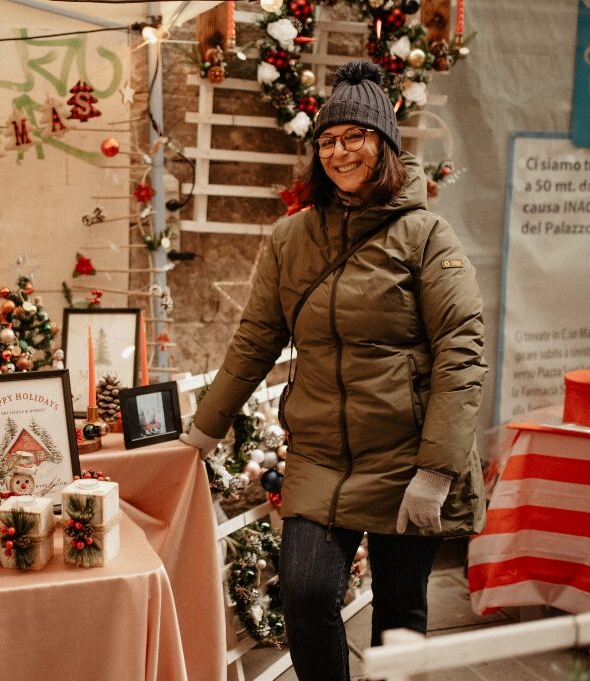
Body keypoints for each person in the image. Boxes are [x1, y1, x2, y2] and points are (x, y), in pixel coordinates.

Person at [181, 60, 486, 681]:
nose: (340, 151)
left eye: (356, 136)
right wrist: (202, 431)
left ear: (386, 146)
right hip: (321, 454)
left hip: (408, 457)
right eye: (327, 140)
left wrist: (436, 470)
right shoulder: (291, 238)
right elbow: (256, 339)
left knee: (400, 616)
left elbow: (461, 351)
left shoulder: (427, 237)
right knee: (307, 594)